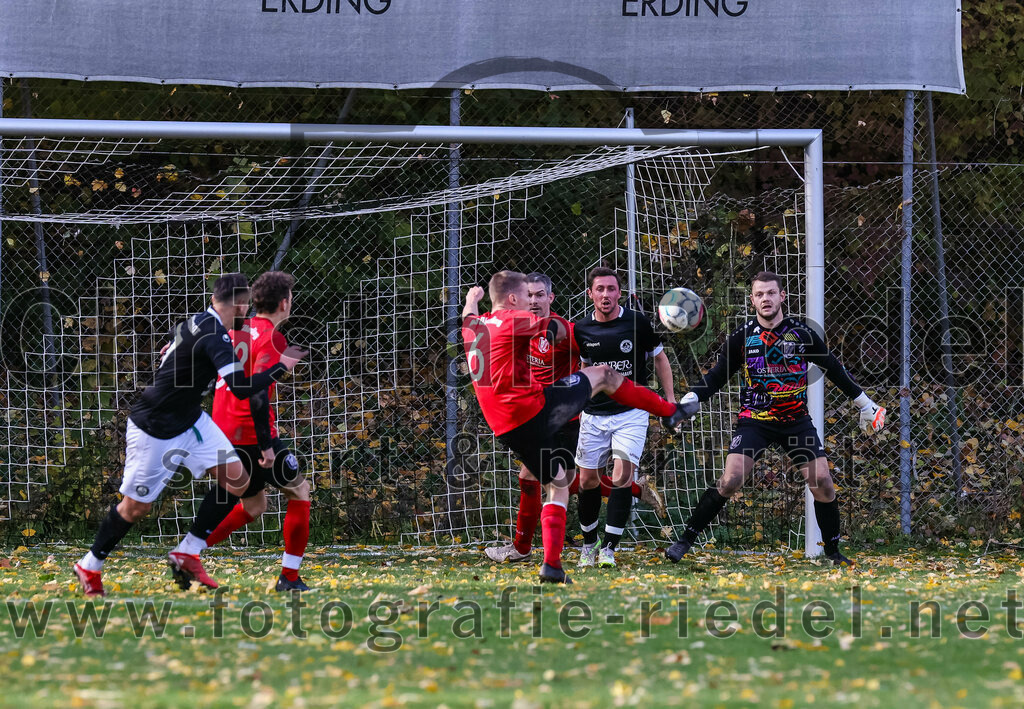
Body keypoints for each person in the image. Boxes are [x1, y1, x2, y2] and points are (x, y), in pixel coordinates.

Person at [72, 273, 307, 597]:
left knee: (237, 480)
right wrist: (282, 366)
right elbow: (242, 389)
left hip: (193, 419)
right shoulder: (216, 335)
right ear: (241, 306)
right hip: (155, 425)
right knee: (135, 508)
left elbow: (175, 337)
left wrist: (173, 349)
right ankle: (90, 564)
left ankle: (188, 551)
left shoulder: (199, 322)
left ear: (214, 300)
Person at [462, 270, 696, 584]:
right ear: (514, 299)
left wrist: (472, 298)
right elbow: (558, 330)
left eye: (538, 296)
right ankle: (670, 412)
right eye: (527, 297)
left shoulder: (475, 326)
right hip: (535, 410)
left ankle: (551, 566)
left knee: (558, 484)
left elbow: (468, 314)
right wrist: (561, 328)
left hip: (505, 424)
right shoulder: (515, 321)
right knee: (604, 375)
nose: (532, 303)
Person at [664, 271, 886, 566]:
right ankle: (684, 541)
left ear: (782, 296)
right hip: (755, 420)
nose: (765, 299)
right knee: (730, 480)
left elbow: (832, 367)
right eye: (759, 294)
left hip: (795, 420)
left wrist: (865, 404)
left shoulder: (802, 334)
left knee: (822, 481)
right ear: (752, 300)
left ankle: (833, 552)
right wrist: (687, 403)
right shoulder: (742, 338)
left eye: (771, 293)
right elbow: (716, 377)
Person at [196, 271, 312, 592]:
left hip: (221, 427)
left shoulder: (234, 329)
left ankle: (189, 553)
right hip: (250, 433)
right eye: (291, 297)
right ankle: (289, 578)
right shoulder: (273, 339)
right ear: (284, 303)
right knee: (299, 491)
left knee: (254, 506)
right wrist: (266, 445)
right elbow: (257, 394)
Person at [573, 267, 675, 569]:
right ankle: (588, 545)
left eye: (611, 289)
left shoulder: (636, 322)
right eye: (599, 289)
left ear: (620, 293)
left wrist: (670, 400)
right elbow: (585, 369)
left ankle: (608, 549)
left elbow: (660, 357)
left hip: (631, 413)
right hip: (594, 414)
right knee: (587, 480)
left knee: (621, 477)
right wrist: (578, 401)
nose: (606, 295)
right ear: (590, 294)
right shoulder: (582, 329)